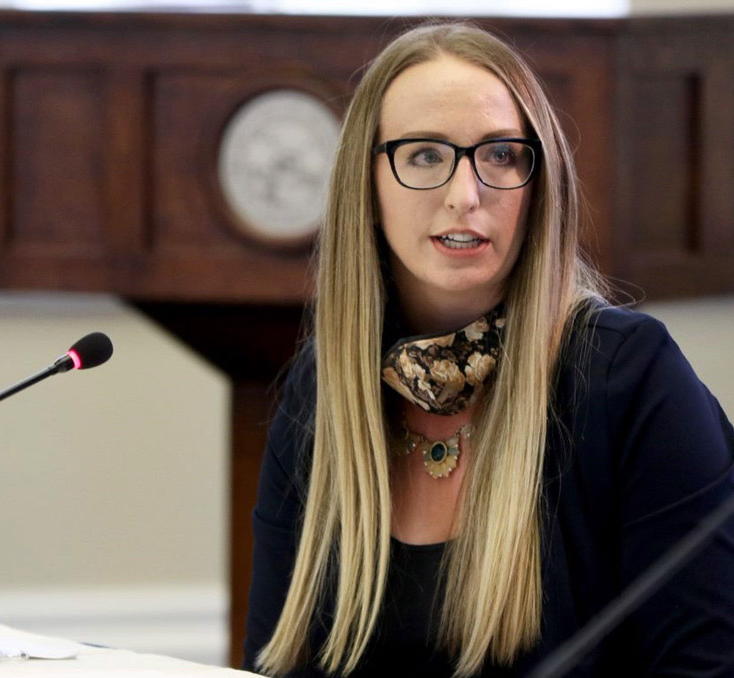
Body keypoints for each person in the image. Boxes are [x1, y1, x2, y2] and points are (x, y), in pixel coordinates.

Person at [242, 19, 734, 678]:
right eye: (424, 155)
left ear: (539, 184)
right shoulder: (323, 387)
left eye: (501, 155)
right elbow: (277, 663)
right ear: (368, 183)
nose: (465, 195)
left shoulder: (628, 378)